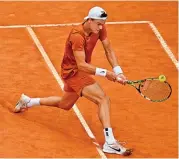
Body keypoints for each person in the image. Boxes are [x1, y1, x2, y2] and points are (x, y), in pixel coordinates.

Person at [14, 6, 132, 156]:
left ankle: (28, 101)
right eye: (98, 24)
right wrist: (106, 73)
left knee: (65, 104)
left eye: (102, 24)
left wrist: (118, 72)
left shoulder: (99, 27)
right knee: (103, 99)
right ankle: (110, 142)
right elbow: (81, 64)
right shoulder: (77, 35)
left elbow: (108, 49)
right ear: (89, 20)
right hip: (73, 72)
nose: (101, 27)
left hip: (81, 71)